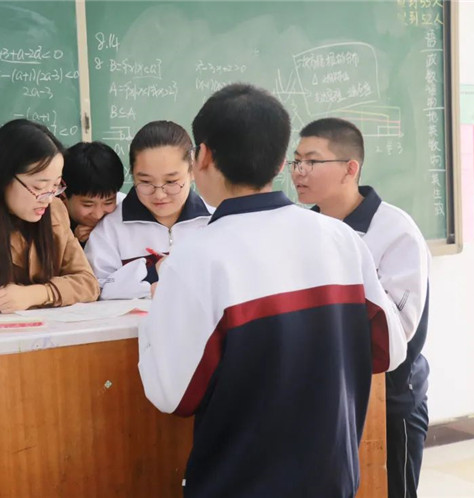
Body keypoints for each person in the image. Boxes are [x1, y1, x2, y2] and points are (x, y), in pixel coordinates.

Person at [138, 84, 407, 497]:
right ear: (282, 162)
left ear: (202, 156)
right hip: (331, 479)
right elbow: (389, 349)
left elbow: (171, 395)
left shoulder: (194, 258)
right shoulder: (341, 238)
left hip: (240, 484)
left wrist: (157, 316)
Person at [292, 117, 430, 498]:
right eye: (296, 161)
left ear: (350, 168)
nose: (299, 172)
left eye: (312, 161)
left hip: (389, 399)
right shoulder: (302, 227)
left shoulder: (396, 230)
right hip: (322, 396)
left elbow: (399, 331)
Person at [0, 119, 100, 314]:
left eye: (56, 185)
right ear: (5, 177)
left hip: (46, 328)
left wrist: (37, 294)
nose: (48, 198)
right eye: (39, 187)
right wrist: (60, 293)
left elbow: (88, 284)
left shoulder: (54, 207)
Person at [84, 120, 212, 300]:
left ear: (193, 171)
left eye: (171, 182)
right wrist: (152, 273)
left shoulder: (215, 221)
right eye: (145, 182)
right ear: (133, 174)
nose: (159, 194)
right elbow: (97, 290)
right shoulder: (110, 229)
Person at [61, 141, 126, 246]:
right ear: (64, 195)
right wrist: (72, 242)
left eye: (108, 202)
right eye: (88, 205)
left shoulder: (124, 210)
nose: (98, 215)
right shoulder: (45, 218)